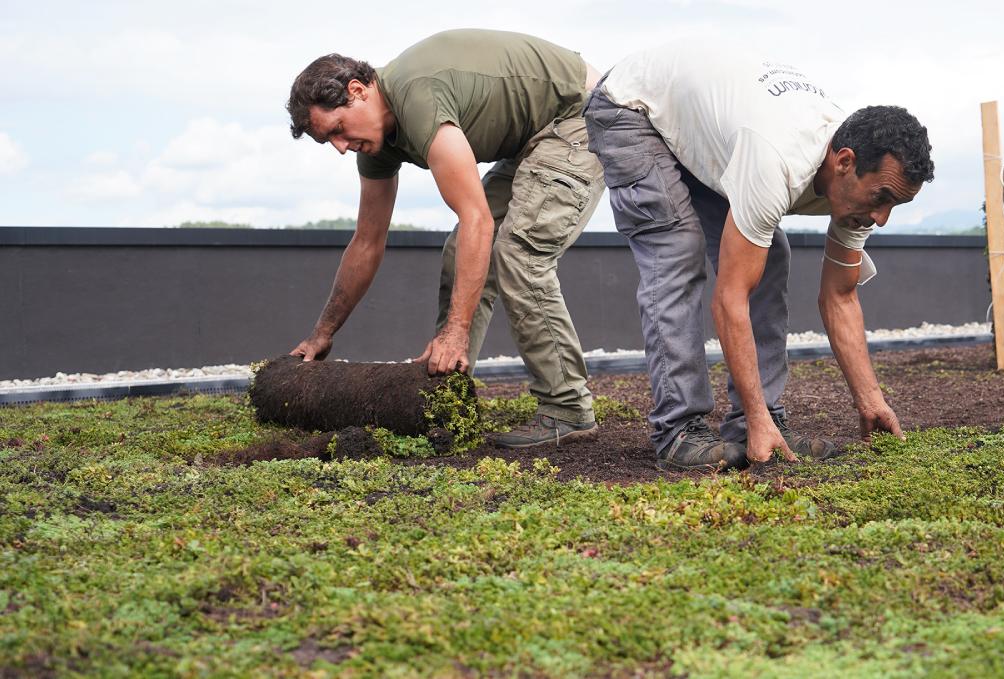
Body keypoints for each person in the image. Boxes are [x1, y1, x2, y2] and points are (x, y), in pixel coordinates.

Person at [584, 43, 934, 471]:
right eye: (881, 198)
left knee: (770, 255)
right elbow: (730, 297)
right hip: (631, 106)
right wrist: (756, 416)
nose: (881, 218)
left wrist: (871, 400)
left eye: (895, 205)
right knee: (677, 249)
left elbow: (840, 297)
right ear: (844, 162)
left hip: (703, 119)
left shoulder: (860, 190)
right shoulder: (778, 159)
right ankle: (678, 430)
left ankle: (764, 422)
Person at [285, 29, 606, 449]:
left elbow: (477, 219)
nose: (342, 148)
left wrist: (456, 331)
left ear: (358, 90)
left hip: (582, 115)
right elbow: (367, 241)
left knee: (519, 253)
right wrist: (323, 332)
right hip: (535, 135)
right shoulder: (376, 143)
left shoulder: (417, 97)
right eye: (330, 141)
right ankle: (446, 391)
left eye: (339, 130)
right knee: (463, 252)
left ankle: (568, 409)